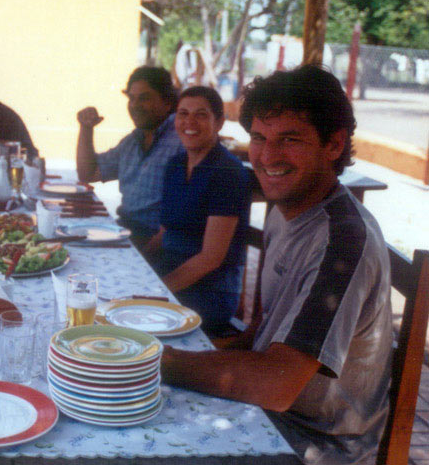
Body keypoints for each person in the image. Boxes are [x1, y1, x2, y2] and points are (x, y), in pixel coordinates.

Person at [161, 65, 392, 465]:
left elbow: (278, 385)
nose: (267, 157)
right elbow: (260, 335)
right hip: (273, 416)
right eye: (259, 138)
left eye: (290, 140)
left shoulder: (342, 241)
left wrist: (153, 361)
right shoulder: (283, 211)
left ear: (334, 144)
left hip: (316, 444)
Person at [151, 86, 250, 335]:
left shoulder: (227, 173)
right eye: (183, 113)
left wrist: (160, 290)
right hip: (172, 275)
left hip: (210, 293)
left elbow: (210, 259)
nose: (189, 122)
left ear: (219, 122)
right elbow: (165, 231)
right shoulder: (175, 165)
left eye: (201, 115)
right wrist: (137, 262)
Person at [76, 66, 181, 255]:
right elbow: (88, 173)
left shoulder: (181, 140)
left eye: (144, 98)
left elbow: (181, 220)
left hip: (159, 243)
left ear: (167, 102)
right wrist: (86, 128)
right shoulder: (132, 141)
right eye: (131, 98)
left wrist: (144, 255)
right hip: (125, 232)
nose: (134, 105)